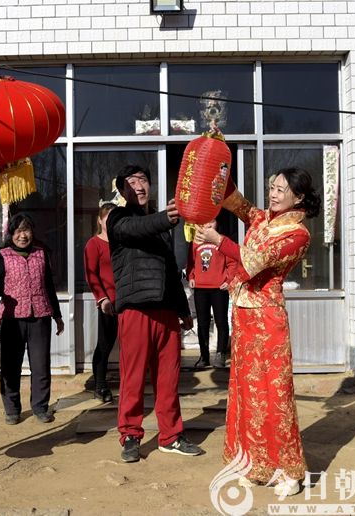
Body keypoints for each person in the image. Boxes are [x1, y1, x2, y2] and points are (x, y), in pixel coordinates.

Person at [195, 167, 321, 497]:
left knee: (275, 395)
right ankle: (255, 463)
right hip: (244, 314)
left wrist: (219, 241)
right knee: (246, 393)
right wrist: (219, 166)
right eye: (272, 187)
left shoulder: (298, 234)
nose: (273, 193)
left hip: (268, 319)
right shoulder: (263, 218)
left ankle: (290, 471)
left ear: (299, 197)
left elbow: (254, 261)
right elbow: (235, 201)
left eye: (281, 189)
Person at [106, 165, 203, 463]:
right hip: (135, 309)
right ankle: (130, 435)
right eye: (131, 181)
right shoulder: (118, 218)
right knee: (133, 378)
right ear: (122, 189)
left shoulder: (161, 228)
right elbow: (135, 229)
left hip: (166, 311)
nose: (138, 185)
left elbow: (171, 271)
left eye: (143, 180)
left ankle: (171, 436)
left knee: (168, 378)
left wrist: (183, 309)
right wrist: (165, 218)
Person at [0, 212, 65, 425]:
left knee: (41, 365)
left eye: (26, 230)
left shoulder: (41, 254)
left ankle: (40, 407)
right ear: (11, 233)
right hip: (12, 319)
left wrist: (57, 315)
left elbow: (49, 286)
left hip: (40, 317)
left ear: (32, 232)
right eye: (18, 231)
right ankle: (12, 409)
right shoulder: (2, 256)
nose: (22, 235)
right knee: (10, 366)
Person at [186, 219, 236, 369]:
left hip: (219, 288)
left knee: (221, 322)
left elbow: (232, 263)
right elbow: (190, 263)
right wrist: (191, 277)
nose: (207, 225)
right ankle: (204, 356)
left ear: (217, 223)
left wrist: (229, 280)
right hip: (200, 288)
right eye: (204, 222)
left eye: (211, 222)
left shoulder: (222, 240)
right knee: (203, 323)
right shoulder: (195, 242)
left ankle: (220, 354)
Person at [84, 202, 118, 403]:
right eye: (107, 218)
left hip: (127, 300)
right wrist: (102, 298)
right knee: (105, 345)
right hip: (108, 303)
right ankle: (100, 385)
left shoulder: (122, 242)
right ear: (99, 220)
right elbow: (91, 275)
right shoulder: (93, 244)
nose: (111, 222)